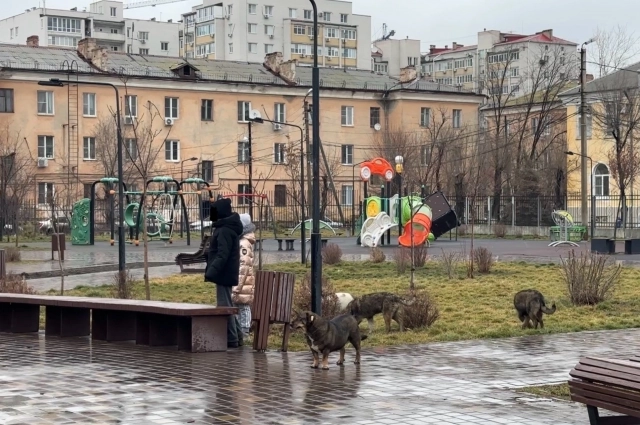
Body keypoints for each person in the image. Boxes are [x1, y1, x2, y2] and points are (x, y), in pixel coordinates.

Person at [204, 197, 244, 348]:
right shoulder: (225, 228)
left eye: (214, 212)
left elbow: (223, 254)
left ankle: (232, 339)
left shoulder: (225, 230)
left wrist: (212, 271)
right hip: (225, 273)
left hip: (223, 274)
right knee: (228, 305)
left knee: (224, 306)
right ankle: (237, 337)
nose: (211, 215)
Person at [233, 213, 256, 339]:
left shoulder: (243, 243)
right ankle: (239, 329)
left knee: (243, 305)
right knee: (238, 305)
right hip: (242, 280)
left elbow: (244, 266)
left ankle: (244, 330)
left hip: (242, 281)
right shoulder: (243, 242)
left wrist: (238, 285)